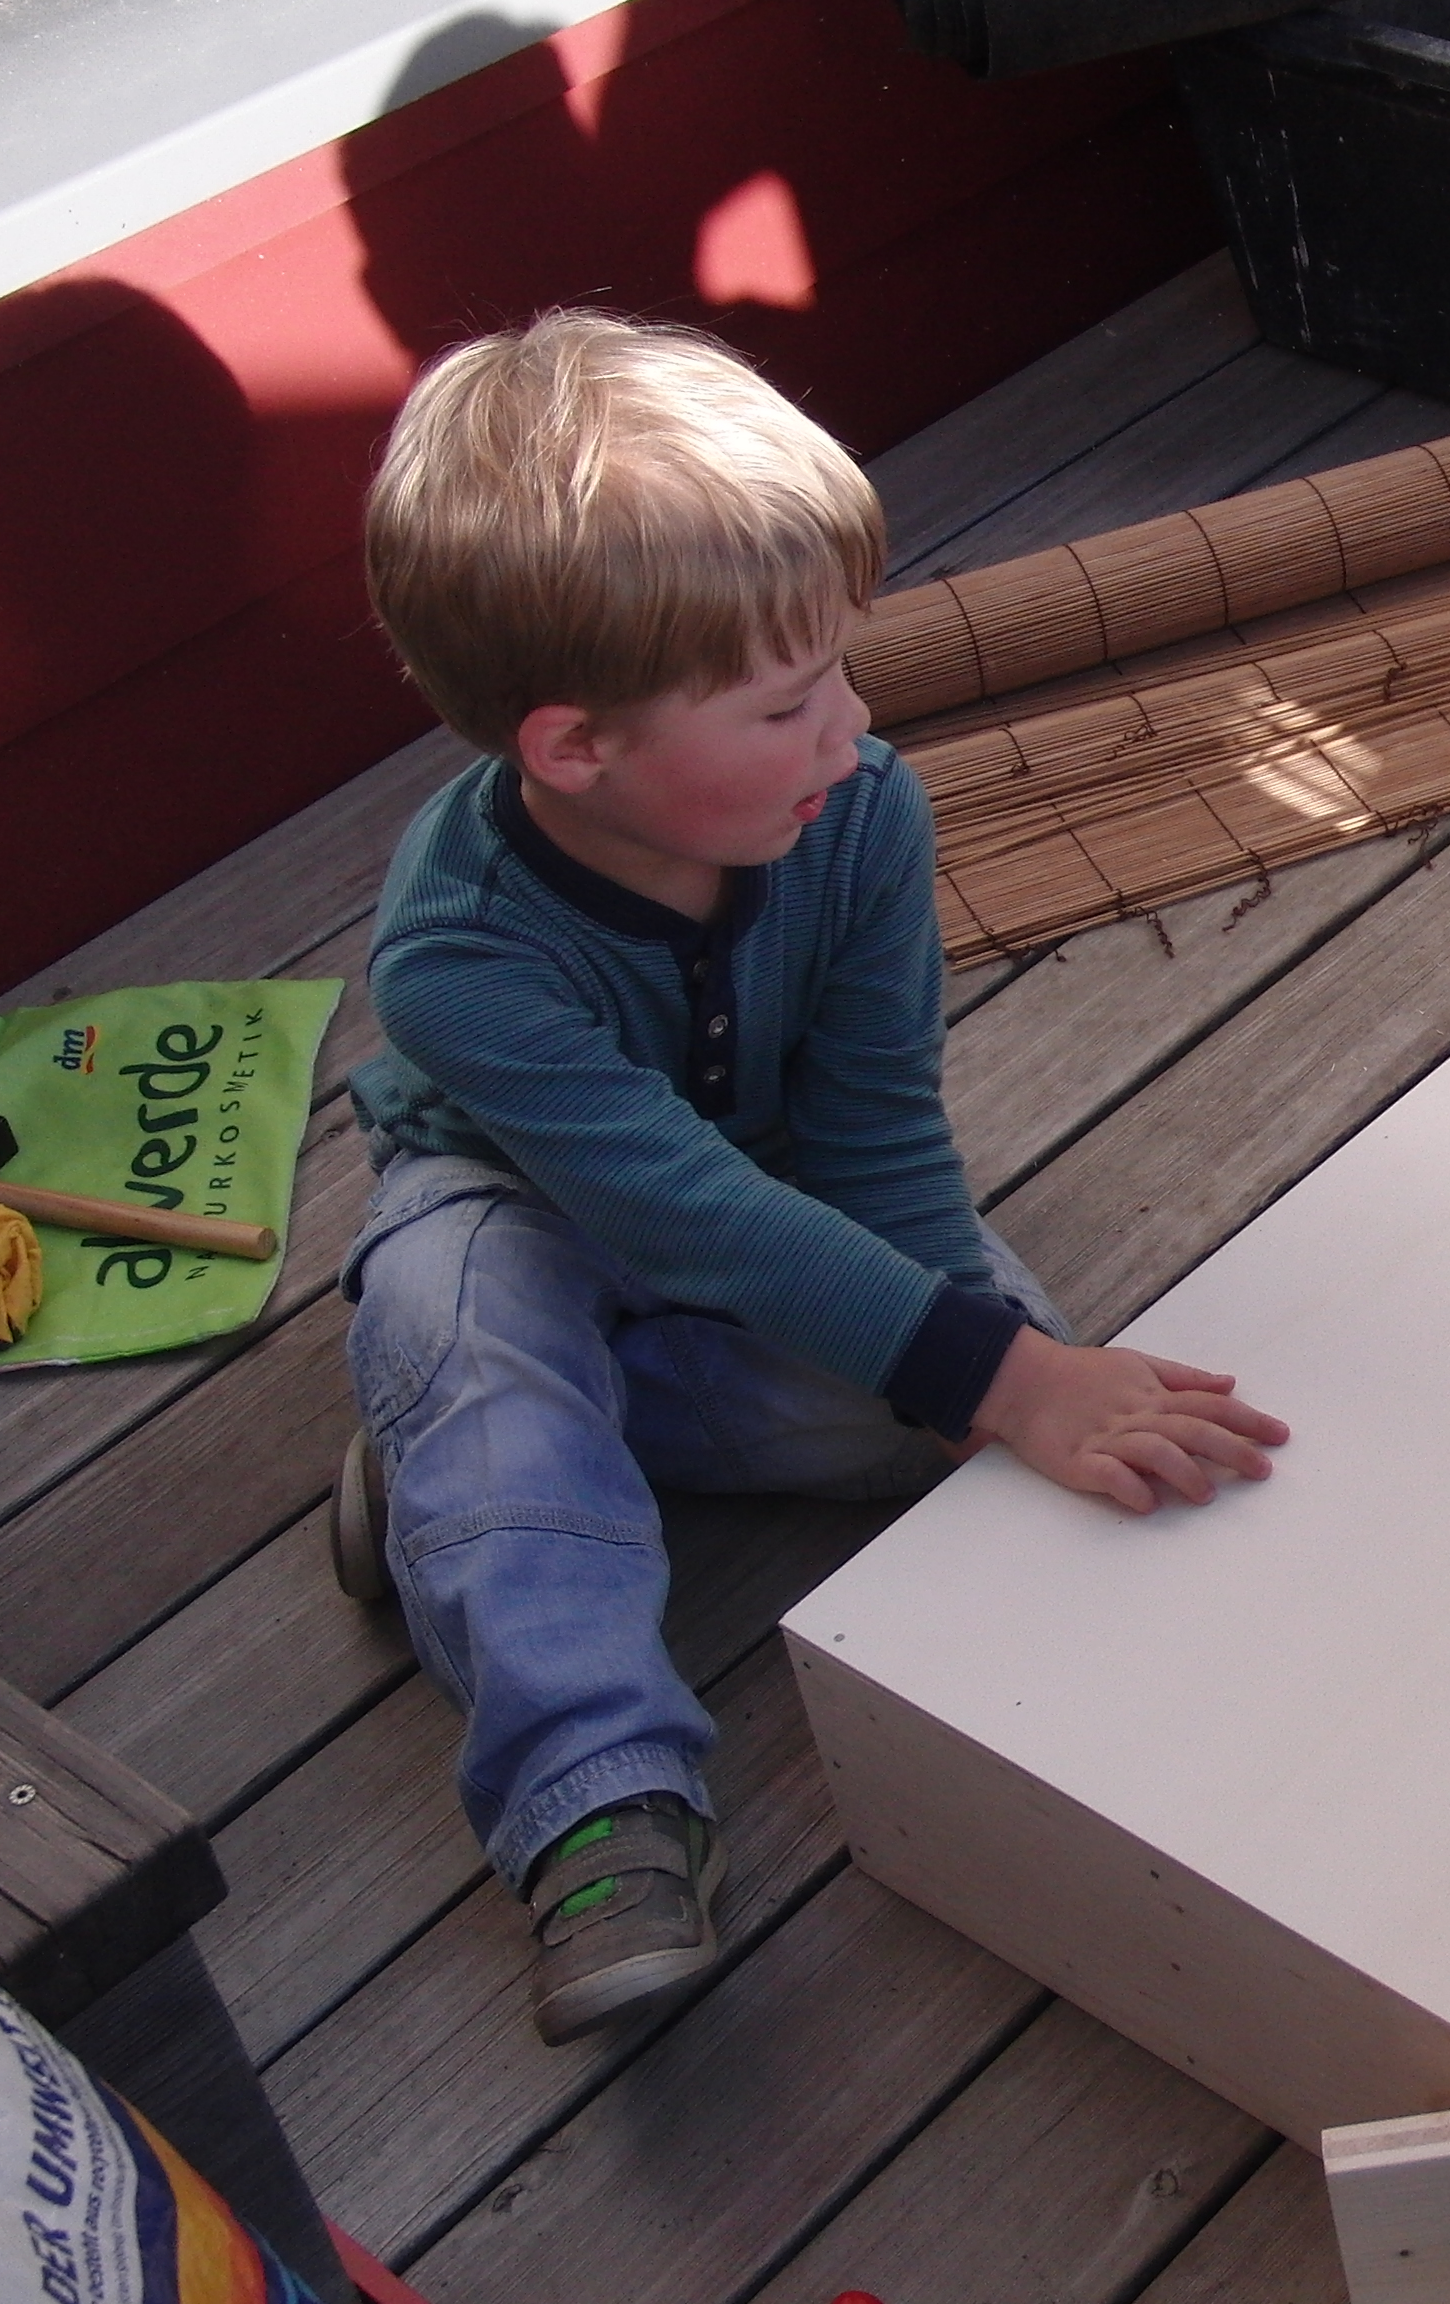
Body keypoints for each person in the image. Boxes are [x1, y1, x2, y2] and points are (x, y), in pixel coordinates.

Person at [339, 312, 1289, 2045]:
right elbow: (675, 1208)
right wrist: (1001, 1380)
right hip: (524, 1215)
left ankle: (474, 1473)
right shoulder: (454, 958)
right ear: (575, 749)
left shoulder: (858, 817)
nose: (850, 730)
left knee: (1001, 1399)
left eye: (838, 673)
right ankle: (599, 1796)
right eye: (786, 705)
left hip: (782, 1209)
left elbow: (873, 1136)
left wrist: (998, 1373)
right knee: (462, 1315)